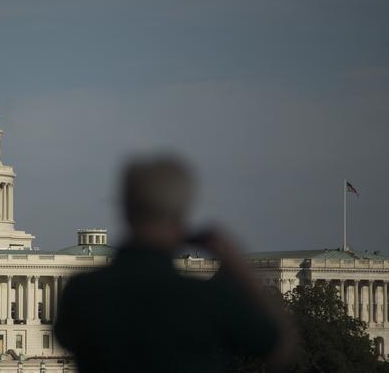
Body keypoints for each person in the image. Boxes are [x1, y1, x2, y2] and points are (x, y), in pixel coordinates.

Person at [55, 155, 295, 373]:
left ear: (125, 209)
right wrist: (239, 265)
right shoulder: (209, 299)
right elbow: (279, 347)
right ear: (183, 213)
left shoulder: (81, 293)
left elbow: (65, 338)